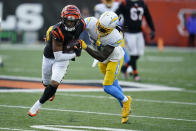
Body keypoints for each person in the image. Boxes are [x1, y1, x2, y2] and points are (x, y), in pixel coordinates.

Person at [28, 5, 85, 117]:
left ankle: (36, 106)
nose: (70, 23)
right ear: (63, 19)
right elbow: (58, 56)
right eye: (68, 21)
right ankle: (51, 91)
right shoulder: (57, 31)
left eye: (73, 21)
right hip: (51, 56)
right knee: (46, 83)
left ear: (78, 21)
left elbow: (89, 23)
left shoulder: (81, 24)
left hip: (64, 58)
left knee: (54, 83)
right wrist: (75, 54)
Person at [80, 11, 131, 124]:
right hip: (101, 56)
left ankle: (126, 101)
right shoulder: (91, 21)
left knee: (107, 87)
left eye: (103, 29)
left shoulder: (116, 37)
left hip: (113, 58)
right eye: (99, 26)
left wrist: (85, 47)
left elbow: (102, 57)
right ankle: (124, 106)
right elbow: (78, 27)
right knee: (114, 84)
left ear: (111, 29)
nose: (98, 29)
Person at [116, 0, 156, 81]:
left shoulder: (142, 3)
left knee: (139, 54)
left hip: (139, 32)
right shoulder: (125, 3)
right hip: (128, 32)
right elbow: (115, 14)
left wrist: (153, 29)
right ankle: (135, 74)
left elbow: (148, 16)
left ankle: (125, 67)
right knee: (133, 54)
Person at [93, 0, 130, 69]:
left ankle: (129, 66)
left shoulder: (118, 5)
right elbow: (97, 20)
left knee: (121, 47)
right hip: (103, 32)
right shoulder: (99, 7)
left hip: (115, 30)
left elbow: (121, 18)